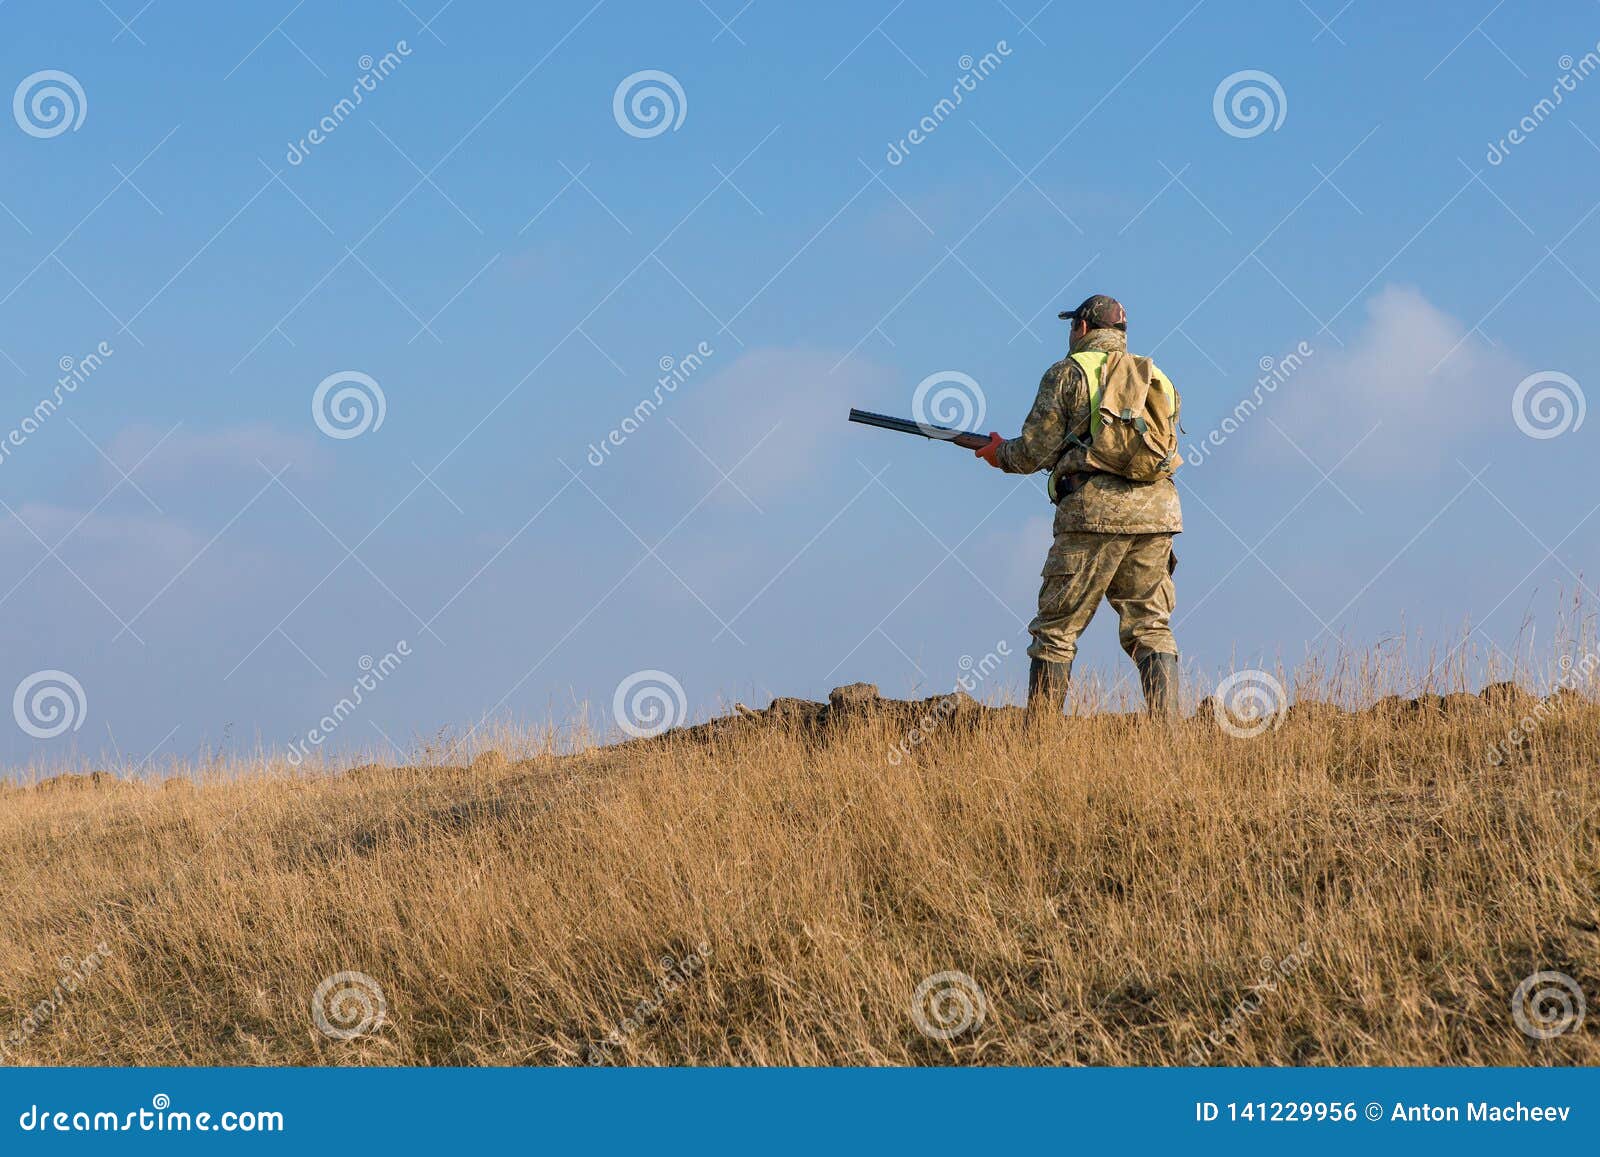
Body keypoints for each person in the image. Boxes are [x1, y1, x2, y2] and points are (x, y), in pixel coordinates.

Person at [973, 294, 1182, 718]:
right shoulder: (1156, 377)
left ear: (1082, 329)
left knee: (1056, 629)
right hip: (1157, 515)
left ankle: (1042, 736)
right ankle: (1171, 734)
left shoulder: (1068, 373)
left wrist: (999, 454)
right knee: (1151, 627)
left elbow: (1033, 451)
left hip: (1093, 514)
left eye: (1071, 327)